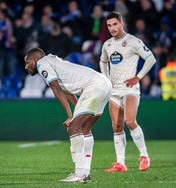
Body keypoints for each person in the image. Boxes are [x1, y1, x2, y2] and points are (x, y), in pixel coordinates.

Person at [24, 47, 112, 182]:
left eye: (27, 62)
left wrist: (71, 116)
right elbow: (67, 90)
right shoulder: (53, 60)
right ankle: (85, 173)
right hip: (104, 84)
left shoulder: (42, 64)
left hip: (94, 86)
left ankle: (79, 174)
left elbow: (55, 87)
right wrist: (76, 112)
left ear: (35, 59)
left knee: (73, 128)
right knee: (84, 128)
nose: (26, 66)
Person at [100, 11, 156, 172]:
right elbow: (102, 61)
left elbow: (151, 58)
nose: (112, 28)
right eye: (109, 25)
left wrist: (138, 77)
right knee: (116, 127)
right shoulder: (107, 45)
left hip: (130, 89)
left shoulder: (132, 41)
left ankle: (144, 156)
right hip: (114, 91)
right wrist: (106, 78)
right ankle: (121, 163)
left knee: (130, 122)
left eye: (115, 24)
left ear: (122, 23)